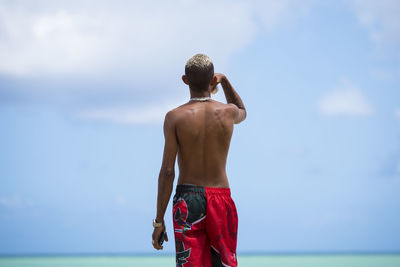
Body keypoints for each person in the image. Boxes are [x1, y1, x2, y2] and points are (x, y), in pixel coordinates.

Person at [151, 53, 247, 267]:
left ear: (185, 80)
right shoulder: (228, 112)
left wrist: (159, 220)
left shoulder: (174, 117)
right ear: (213, 79)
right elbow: (243, 110)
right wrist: (224, 81)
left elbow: (167, 171)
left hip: (188, 199)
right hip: (221, 198)